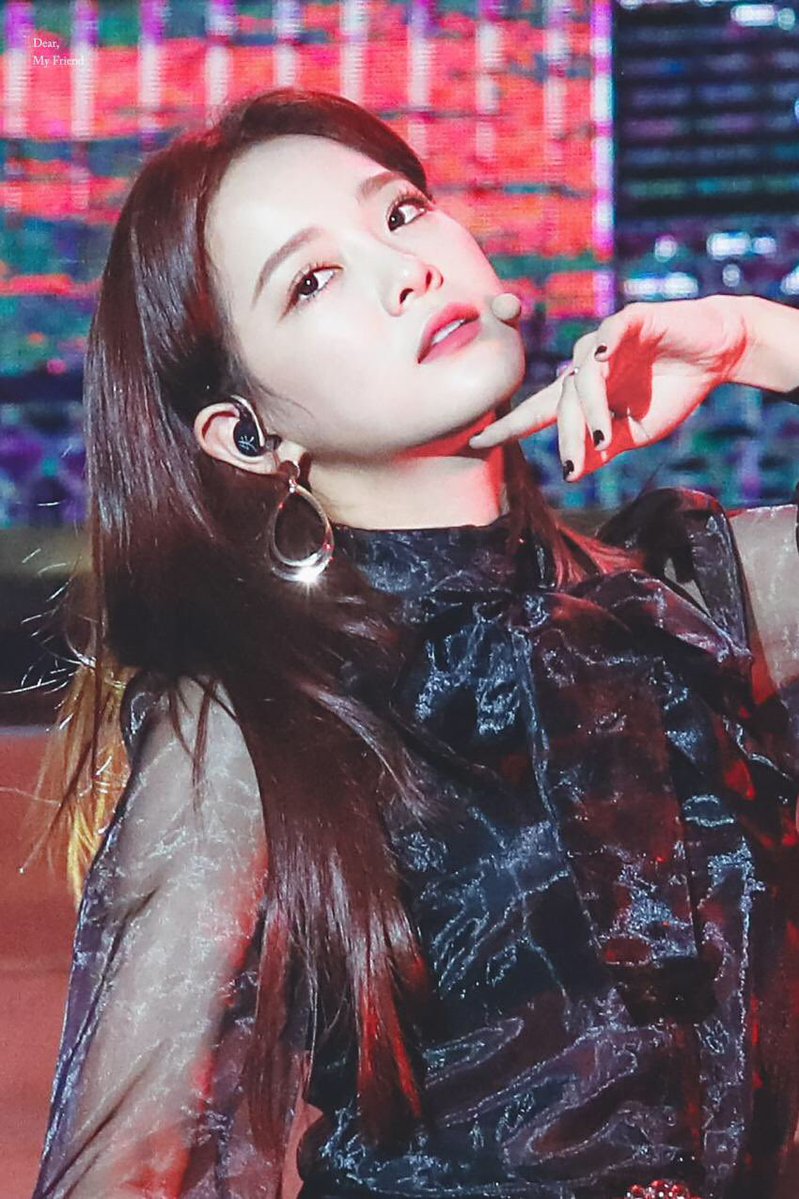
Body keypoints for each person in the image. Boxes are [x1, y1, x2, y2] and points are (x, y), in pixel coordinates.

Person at [27, 89, 799, 1199]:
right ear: (246, 435)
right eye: (311, 279)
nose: (405, 269)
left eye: (400, 213)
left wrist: (759, 339)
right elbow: (124, 1164)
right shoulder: (259, 714)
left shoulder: (691, 601)